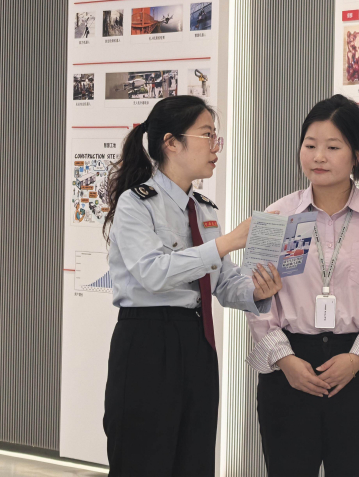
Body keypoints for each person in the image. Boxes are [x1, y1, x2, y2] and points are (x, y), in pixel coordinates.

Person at [102, 95, 282, 476]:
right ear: (171, 143)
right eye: (207, 135)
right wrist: (225, 243)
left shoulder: (205, 209)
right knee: (142, 459)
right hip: (147, 341)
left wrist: (256, 291)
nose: (216, 146)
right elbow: (153, 273)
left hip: (197, 341)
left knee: (195, 458)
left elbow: (223, 283)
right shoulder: (136, 204)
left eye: (216, 136)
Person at [247, 94, 359, 477]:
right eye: (310, 145)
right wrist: (285, 361)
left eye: (333, 147)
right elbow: (256, 299)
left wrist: (356, 359)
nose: (318, 157)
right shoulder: (276, 215)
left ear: (356, 154)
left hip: (358, 372)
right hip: (289, 369)